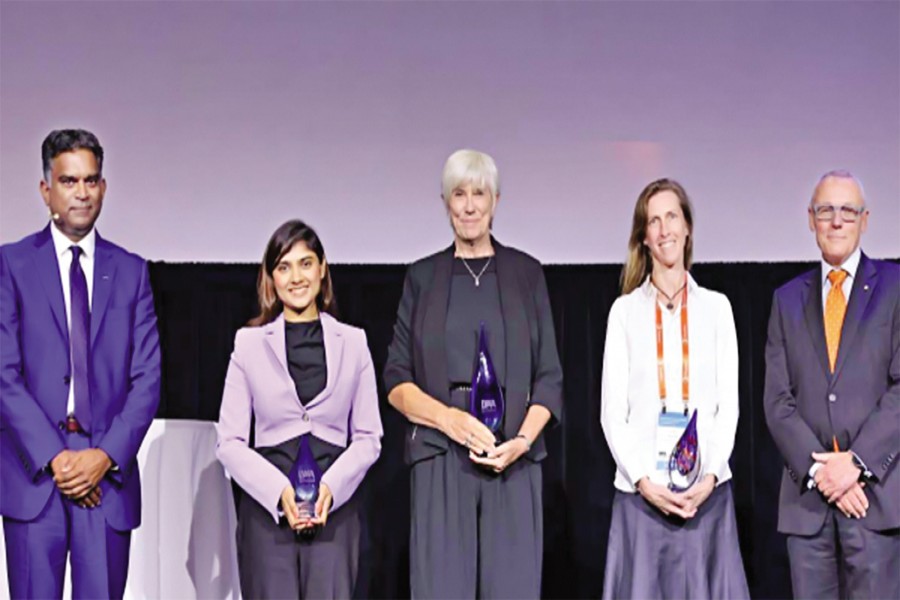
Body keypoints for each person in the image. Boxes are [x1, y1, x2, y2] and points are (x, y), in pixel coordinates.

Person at [383, 149, 563, 598]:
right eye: (458, 194)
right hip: (442, 454)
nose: (468, 205)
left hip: (513, 458)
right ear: (445, 202)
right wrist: (449, 420)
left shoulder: (526, 274)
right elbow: (396, 380)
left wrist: (521, 442)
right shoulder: (422, 277)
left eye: (478, 193)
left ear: (495, 201)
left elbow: (550, 378)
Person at [0, 129, 161, 599]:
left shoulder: (131, 271)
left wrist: (103, 456)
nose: (82, 193)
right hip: (36, 476)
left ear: (104, 188)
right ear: (46, 189)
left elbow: (147, 380)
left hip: (105, 478)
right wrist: (58, 458)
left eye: (91, 181)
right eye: (69, 181)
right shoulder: (11, 265)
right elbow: (4, 374)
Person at [216, 219, 382, 598]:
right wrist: (279, 493)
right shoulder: (249, 344)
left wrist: (330, 488)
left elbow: (369, 437)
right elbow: (229, 442)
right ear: (271, 277)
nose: (296, 277)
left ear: (323, 269)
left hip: (334, 507)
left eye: (305, 263)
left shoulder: (354, 343)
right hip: (268, 510)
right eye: (284, 267)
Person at [600, 178, 749, 599]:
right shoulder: (625, 312)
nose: (664, 229)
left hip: (706, 498)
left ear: (687, 228)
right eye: (653, 221)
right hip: (642, 500)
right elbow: (613, 413)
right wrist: (645, 481)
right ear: (644, 238)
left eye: (672, 217)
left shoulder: (717, 309)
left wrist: (711, 476)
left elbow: (728, 408)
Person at [764, 170, 899, 599]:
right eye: (826, 211)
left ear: (864, 219)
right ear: (811, 219)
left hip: (873, 501)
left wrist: (854, 464)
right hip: (809, 509)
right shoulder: (786, 299)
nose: (836, 221)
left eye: (847, 211)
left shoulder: (895, 288)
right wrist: (824, 472)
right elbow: (777, 401)